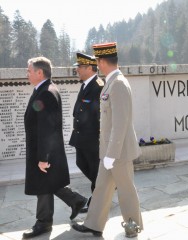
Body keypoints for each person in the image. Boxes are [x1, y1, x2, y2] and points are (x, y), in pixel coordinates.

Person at [72, 42, 143, 238]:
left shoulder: (118, 83)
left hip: (117, 152)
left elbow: (120, 123)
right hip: (109, 151)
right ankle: (94, 224)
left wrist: (111, 154)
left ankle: (133, 225)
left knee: (126, 190)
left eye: (97, 60)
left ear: (101, 61)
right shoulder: (112, 82)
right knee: (102, 187)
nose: (97, 63)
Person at [23, 57, 87, 239]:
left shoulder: (46, 93)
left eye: (29, 71)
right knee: (48, 183)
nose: (26, 74)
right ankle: (77, 201)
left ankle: (43, 223)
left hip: (43, 150)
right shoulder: (43, 89)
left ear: (39, 72)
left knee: (43, 186)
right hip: (43, 149)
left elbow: (46, 127)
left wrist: (43, 157)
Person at [69, 53, 104, 213]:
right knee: (81, 164)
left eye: (80, 67)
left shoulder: (99, 86)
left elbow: (101, 116)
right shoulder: (85, 85)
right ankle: (105, 188)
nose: (77, 70)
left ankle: (97, 201)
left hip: (92, 140)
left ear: (89, 68)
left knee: (95, 170)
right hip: (81, 137)